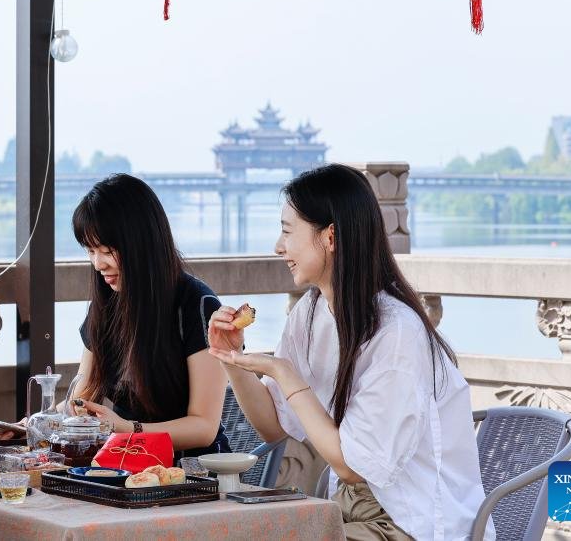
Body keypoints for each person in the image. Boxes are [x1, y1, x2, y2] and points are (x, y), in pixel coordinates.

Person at [209, 164, 492, 540]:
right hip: (347, 508)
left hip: (413, 520)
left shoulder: (396, 332)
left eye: (287, 231)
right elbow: (275, 427)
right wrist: (234, 361)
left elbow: (354, 468)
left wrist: (286, 375)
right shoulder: (309, 314)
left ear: (330, 236)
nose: (278, 246)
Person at [69, 173, 229, 458]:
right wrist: (31, 425)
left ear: (142, 244)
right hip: (128, 465)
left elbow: (204, 427)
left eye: (107, 250)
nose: (98, 264)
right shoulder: (105, 304)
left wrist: (129, 429)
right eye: (91, 251)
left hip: (195, 474)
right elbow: (82, 397)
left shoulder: (197, 305)